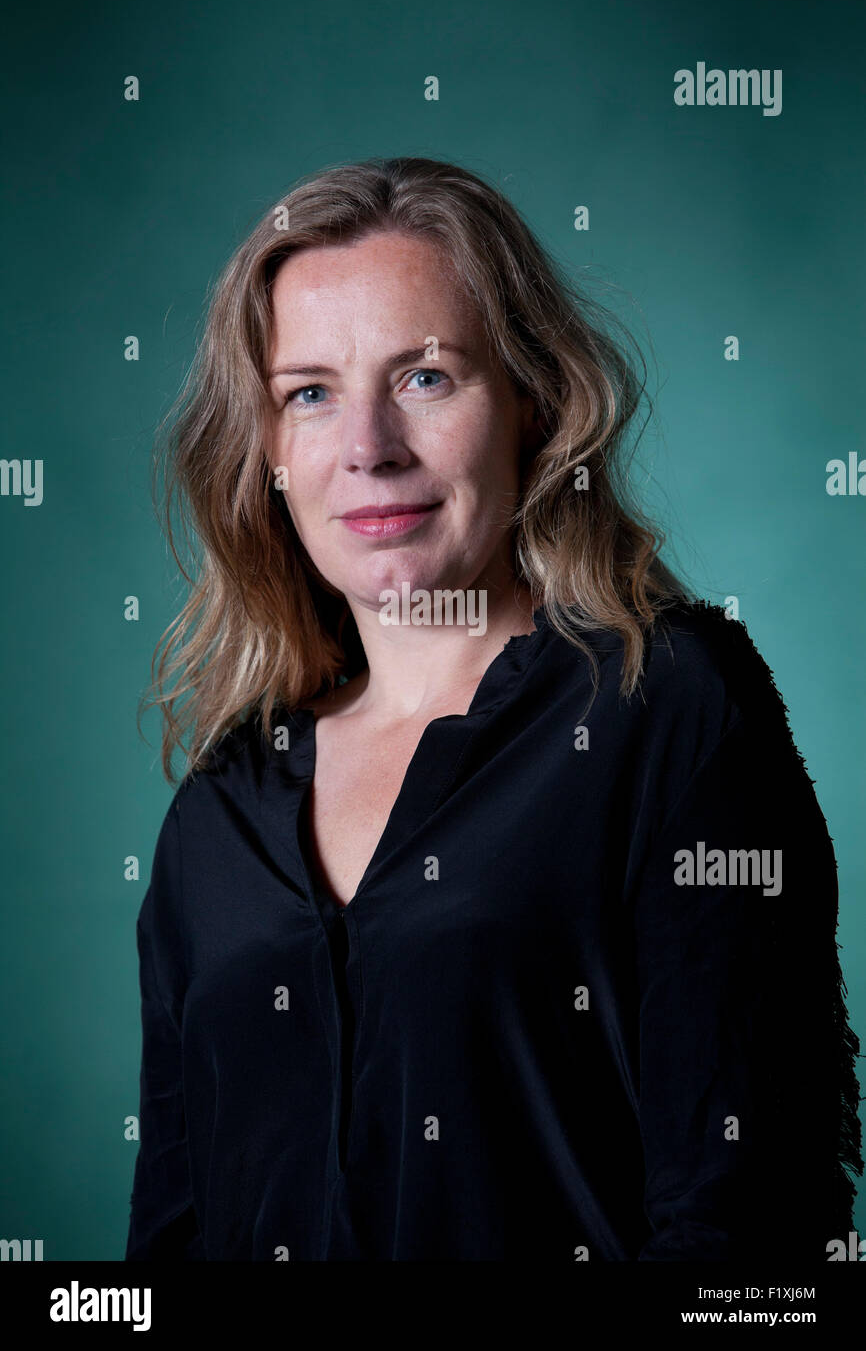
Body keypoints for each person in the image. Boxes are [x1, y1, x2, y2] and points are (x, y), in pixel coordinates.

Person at [126, 156, 861, 1261]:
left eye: (425, 377)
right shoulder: (219, 812)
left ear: (532, 401)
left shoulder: (661, 707)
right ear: (268, 451)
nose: (367, 447)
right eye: (309, 394)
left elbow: (750, 1219)